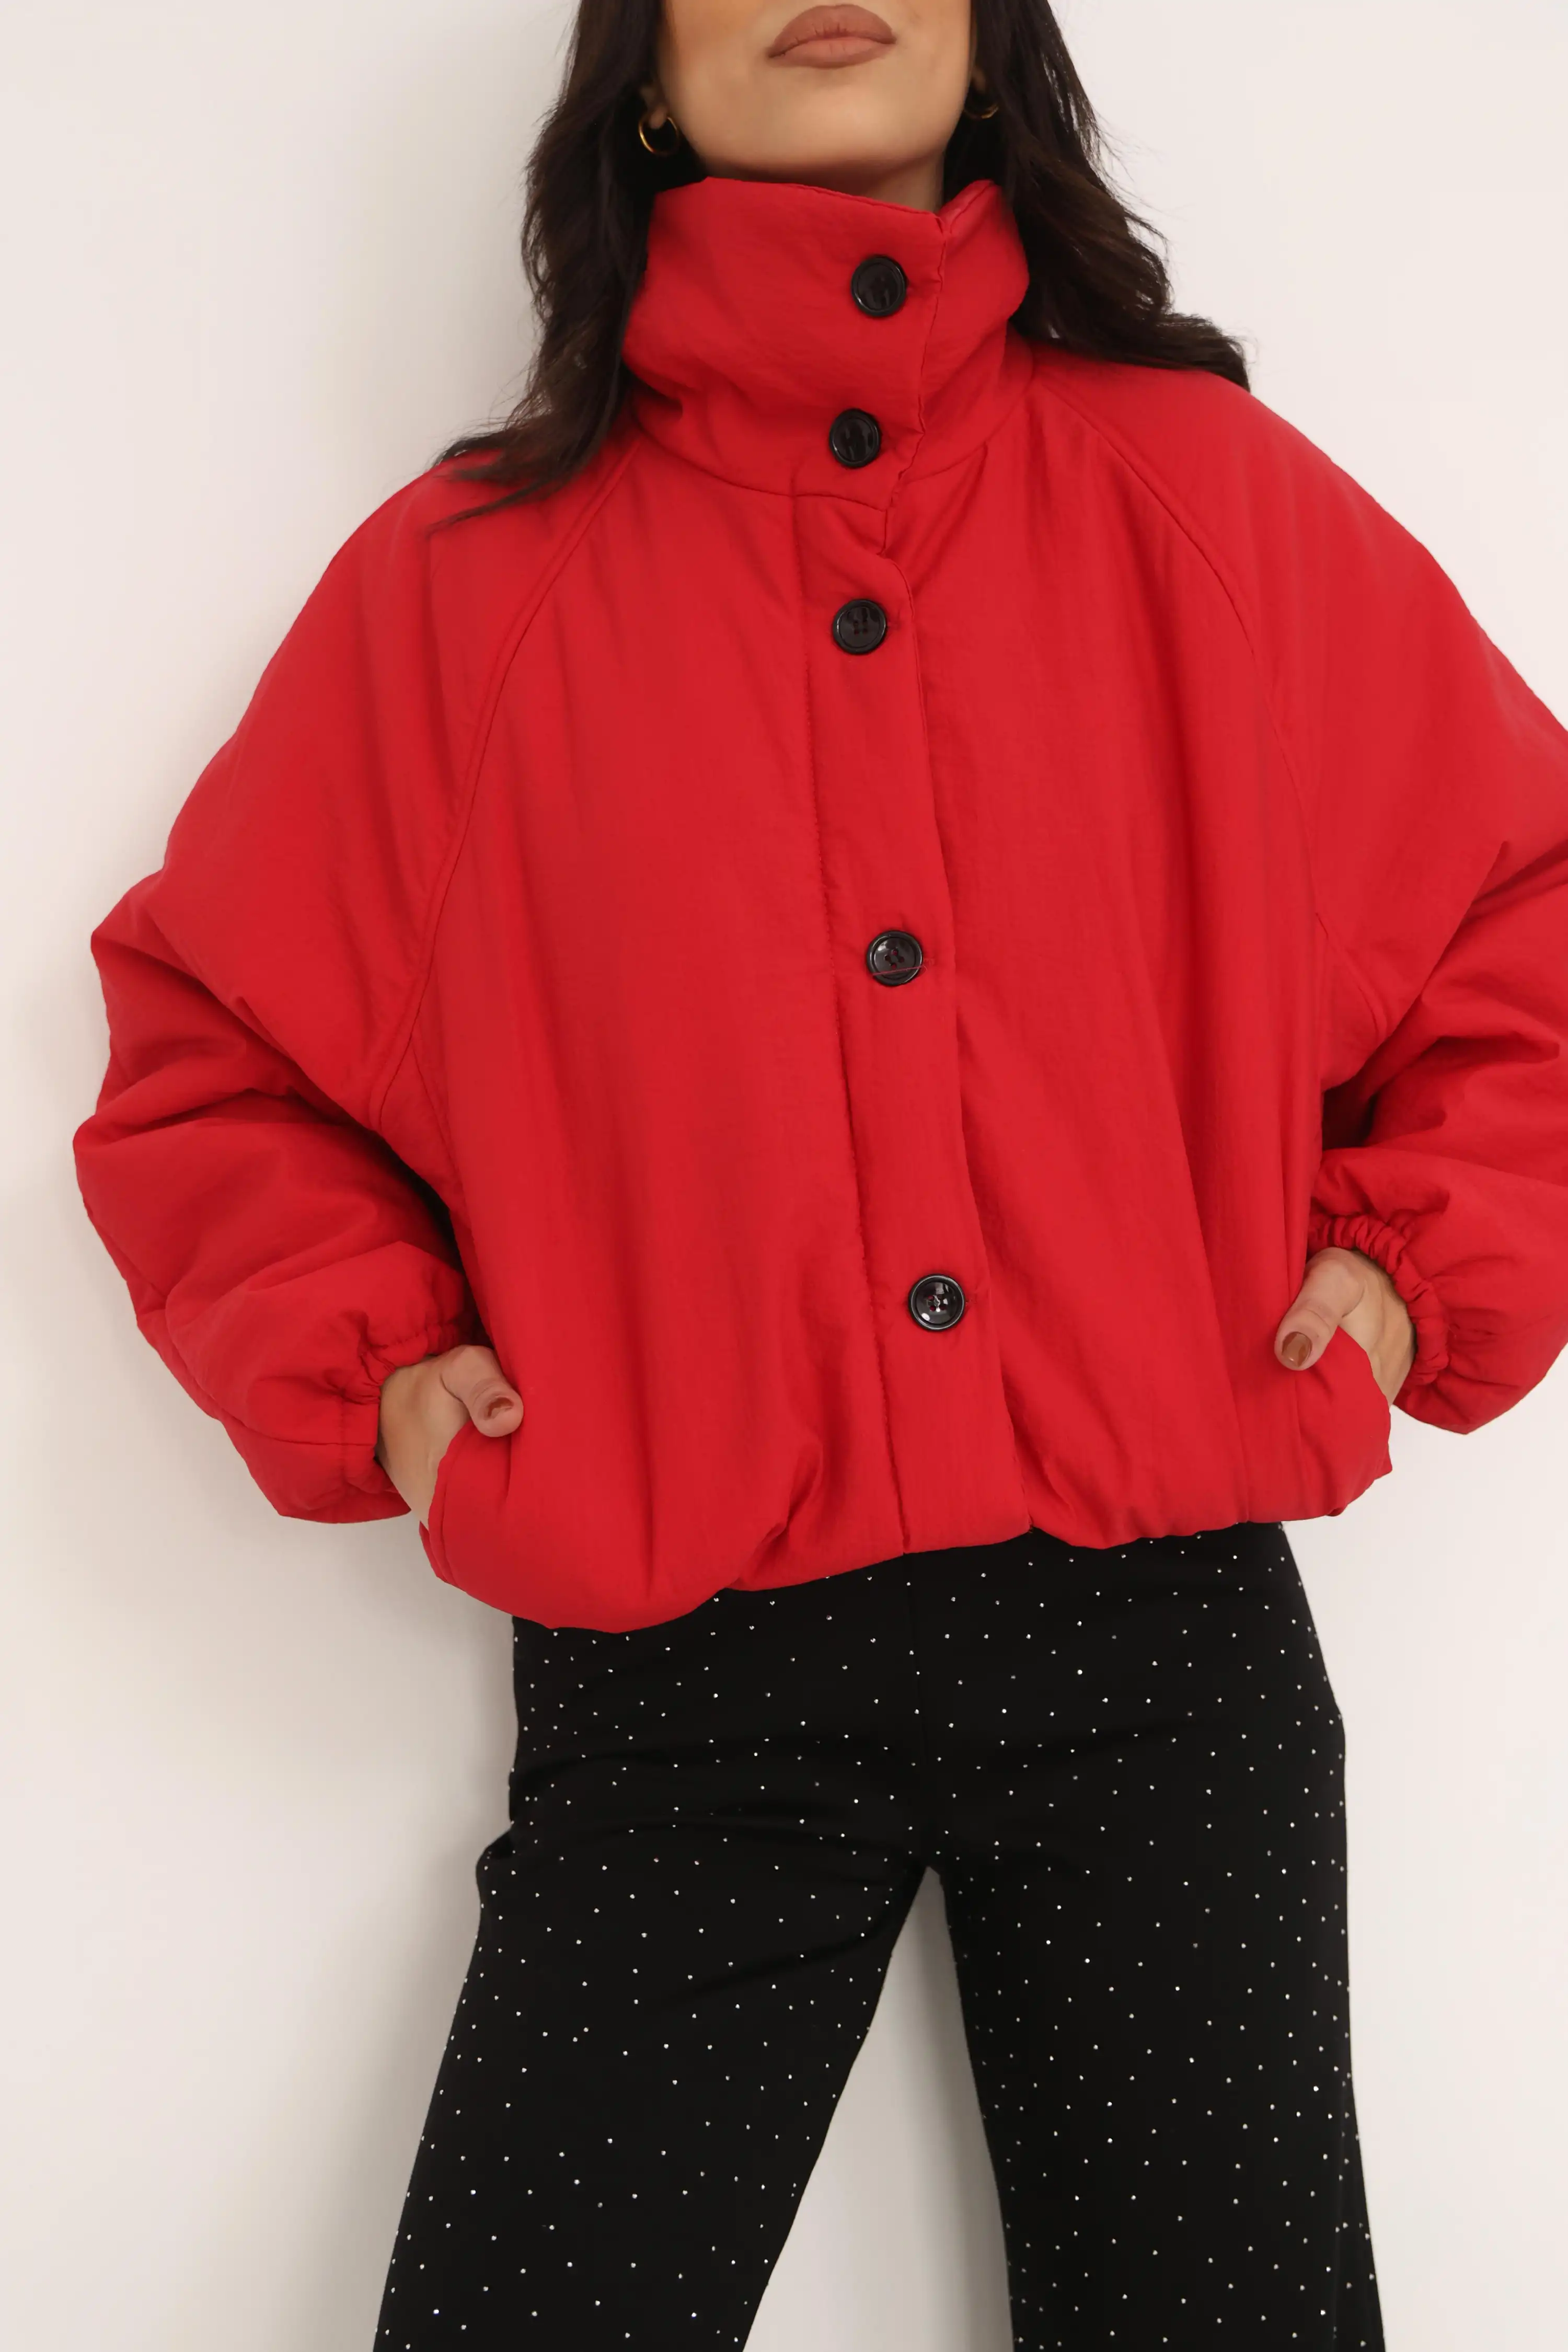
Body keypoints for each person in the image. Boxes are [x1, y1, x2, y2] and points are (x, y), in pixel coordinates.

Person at [73, 0, 1568, 2343]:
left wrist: (1415, 1262)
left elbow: (1528, 915)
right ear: (643, 73)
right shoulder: (468, 584)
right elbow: (211, 1048)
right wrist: (377, 1375)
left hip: (1162, 1649)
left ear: (992, 46)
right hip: (681, 1663)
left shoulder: (1207, 499)